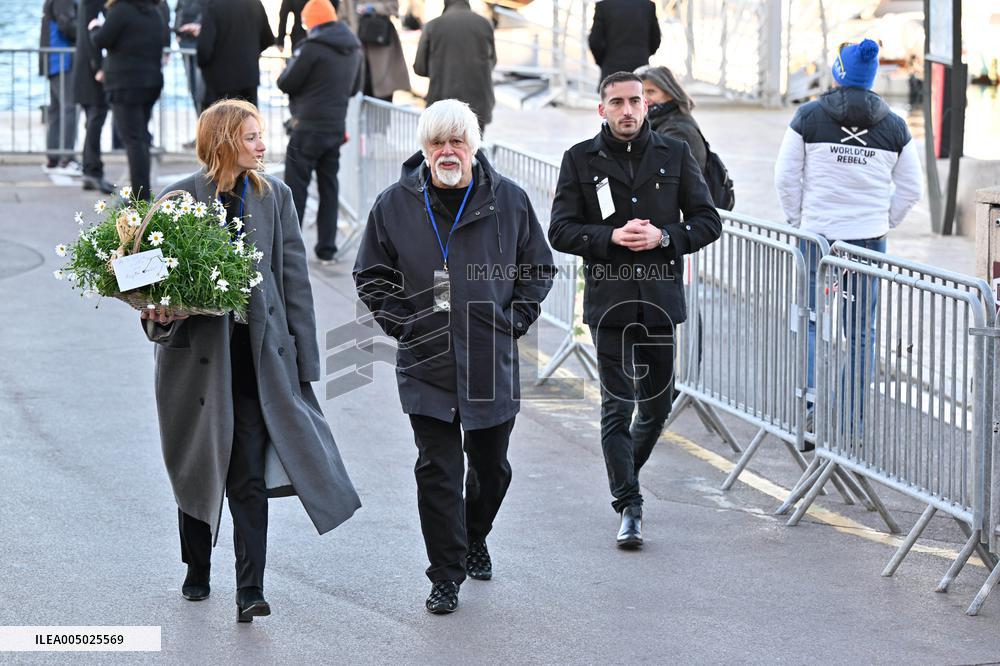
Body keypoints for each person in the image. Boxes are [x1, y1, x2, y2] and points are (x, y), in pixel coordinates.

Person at [140, 99, 361, 623]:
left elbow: (295, 284)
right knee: (196, 466)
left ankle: (250, 588)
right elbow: (142, 278)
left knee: (248, 476)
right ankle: (197, 569)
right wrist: (157, 316)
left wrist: (303, 363)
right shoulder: (178, 198)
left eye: (262, 135)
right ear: (223, 142)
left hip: (258, 361)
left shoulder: (276, 196)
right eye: (253, 137)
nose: (264, 145)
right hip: (192, 361)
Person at [353, 99, 555, 614]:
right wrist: (406, 326)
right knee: (437, 472)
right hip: (428, 363)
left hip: (490, 360)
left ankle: (473, 535)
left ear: (473, 146)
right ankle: (445, 574)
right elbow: (372, 276)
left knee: (492, 470)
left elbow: (538, 267)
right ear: (424, 148)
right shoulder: (394, 203)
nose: (447, 152)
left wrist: (515, 321)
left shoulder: (508, 200)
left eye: (457, 142)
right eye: (437, 143)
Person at [548, 72, 721, 548]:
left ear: (647, 106)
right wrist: (609, 237)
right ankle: (629, 503)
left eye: (635, 101)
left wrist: (664, 237)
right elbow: (560, 230)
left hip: (661, 300)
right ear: (601, 109)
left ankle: (624, 472)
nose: (627, 110)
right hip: (610, 301)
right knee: (617, 406)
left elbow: (708, 222)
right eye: (617, 102)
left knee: (657, 406)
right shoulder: (579, 159)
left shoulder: (675, 153)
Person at [774, 38, 923, 440]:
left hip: (817, 237)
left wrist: (797, 219)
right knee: (860, 333)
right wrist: (882, 220)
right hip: (866, 241)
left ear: (838, 74)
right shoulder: (894, 125)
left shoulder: (808, 116)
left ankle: (809, 404)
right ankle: (850, 420)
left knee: (808, 319)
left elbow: (785, 177)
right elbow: (911, 189)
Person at [278, 0, 363, 263]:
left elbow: (286, 82)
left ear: (312, 22)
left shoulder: (311, 48)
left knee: (295, 189)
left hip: (307, 127)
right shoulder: (353, 47)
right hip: (335, 127)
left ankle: (290, 247)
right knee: (329, 187)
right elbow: (355, 88)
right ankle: (327, 249)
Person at [90, 0, 169, 200]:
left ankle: (140, 195)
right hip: (150, 82)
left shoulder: (121, 10)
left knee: (133, 140)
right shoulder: (154, 11)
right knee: (140, 137)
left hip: (125, 84)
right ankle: (142, 191)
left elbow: (102, 40)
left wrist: (95, 28)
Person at [413, 0, 495, 133]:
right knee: (473, 149)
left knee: (444, 149)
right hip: (478, 104)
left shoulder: (433, 26)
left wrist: (441, 69)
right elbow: (492, 62)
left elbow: (420, 67)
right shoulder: (484, 24)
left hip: (441, 103)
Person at [197, 0, 275, 108]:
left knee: (221, 123)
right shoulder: (255, 3)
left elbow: (204, 48)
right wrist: (250, 55)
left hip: (220, 82)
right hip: (249, 77)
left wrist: (204, 65)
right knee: (248, 121)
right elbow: (268, 39)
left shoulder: (214, 5)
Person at [74, 0, 114, 194]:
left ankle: (90, 169)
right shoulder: (92, 3)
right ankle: (92, 170)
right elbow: (92, 38)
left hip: (87, 69)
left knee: (93, 120)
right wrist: (98, 66)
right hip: (91, 72)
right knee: (95, 119)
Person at [637, 65, 706, 171]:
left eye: (651, 92)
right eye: (641, 93)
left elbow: (665, 174)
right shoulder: (658, 120)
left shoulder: (677, 130)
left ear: (670, 94)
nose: (644, 98)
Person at [39, 0, 81, 175]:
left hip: (56, 61)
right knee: (70, 108)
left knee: (57, 110)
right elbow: (67, 25)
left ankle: (54, 157)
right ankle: (67, 158)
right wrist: (88, 31)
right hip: (62, 61)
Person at [588, 0, 660, 86]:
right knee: (638, 97)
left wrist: (604, 62)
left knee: (612, 98)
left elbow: (595, 42)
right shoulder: (648, 6)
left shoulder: (603, 6)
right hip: (640, 68)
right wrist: (642, 55)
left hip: (611, 70)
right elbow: (656, 39)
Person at [354, 1, 410, 103]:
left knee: (382, 97)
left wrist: (374, 8)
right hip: (359, 40)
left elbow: (394, 7)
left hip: (381, 41)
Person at [173, 0, 205, 116]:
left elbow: (210, 12)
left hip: (198, 46)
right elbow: (178, 12)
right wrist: (177, 33)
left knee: (200, 89)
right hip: (185, 45)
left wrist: (198, 26)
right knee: (193, 88)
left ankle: (204, 123)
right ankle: (201, 122)